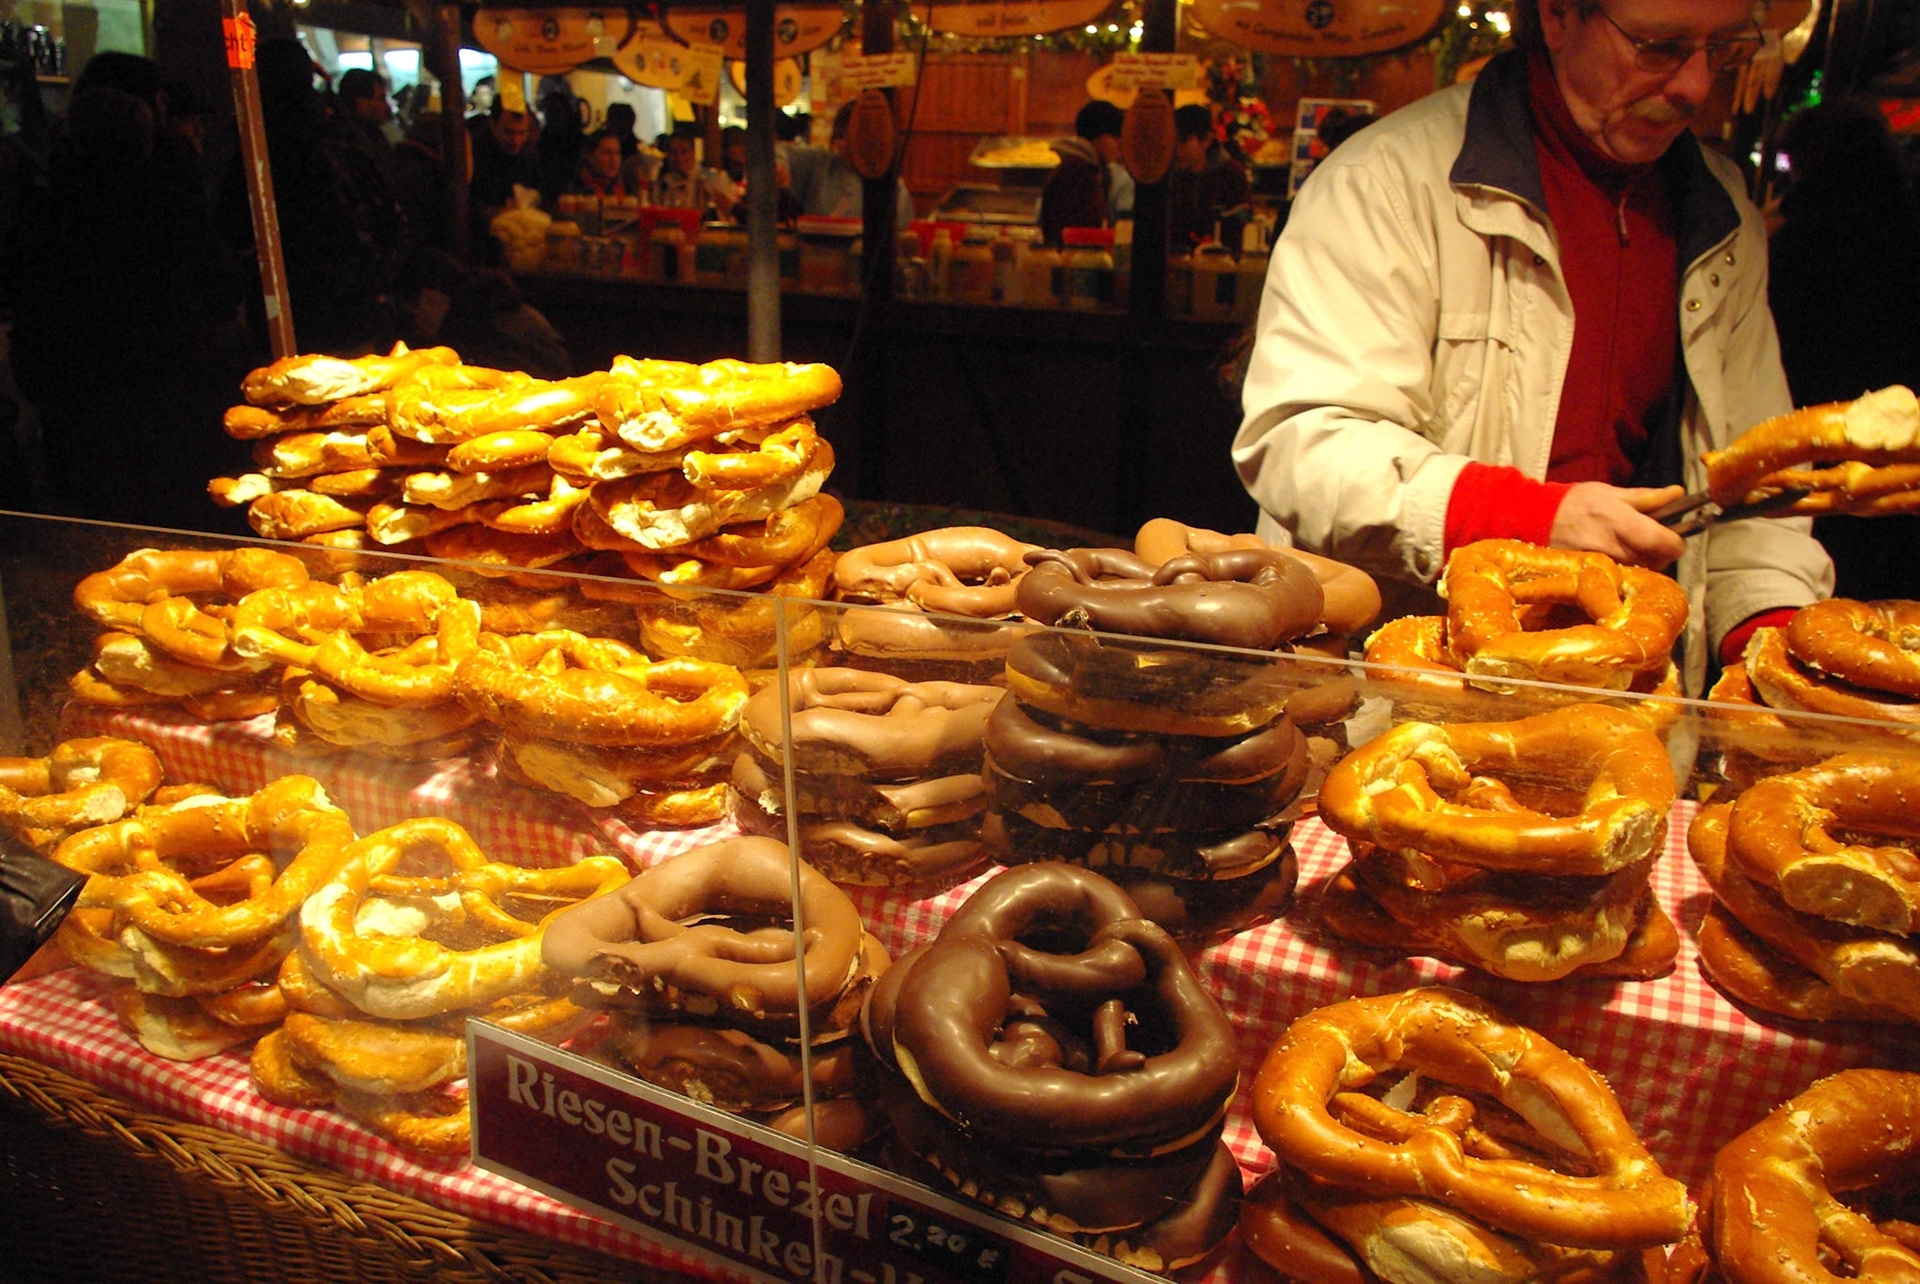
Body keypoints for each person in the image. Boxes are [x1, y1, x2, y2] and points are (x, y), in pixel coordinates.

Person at [1232, 0, 1833, 696]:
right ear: (1557, 15)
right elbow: (1302, 443)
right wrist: (1534, 519)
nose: (1696, 85)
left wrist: (1776, 642)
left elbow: (1756, 491)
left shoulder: (1721, 214)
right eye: (1660, 46)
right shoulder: (1387, 180)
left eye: (1723, 48)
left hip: (1628, 688)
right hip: (1396, 697)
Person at [5, 53, 249, 530]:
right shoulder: (168, 193)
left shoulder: (50, 197)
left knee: (107, 528)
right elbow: (220, 288)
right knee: (183, 525)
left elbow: (23, 295)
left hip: (81, 408)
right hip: (173, 397)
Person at [1767, 98, 1920, 601]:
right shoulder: (1906, 227)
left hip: (1818, 422)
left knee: (1824, 557)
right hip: (1900, 424)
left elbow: (1784, 337)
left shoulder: (1801, 237)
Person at [786, 100, 914, 230]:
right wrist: (781, 168)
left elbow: (902, 231)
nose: (842, 143)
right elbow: (781, 152)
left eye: (852, 136)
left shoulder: (893, 186)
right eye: (840, 135)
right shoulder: (821, 163)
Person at [1038, 100, 1124, 244]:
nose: (1120, 144)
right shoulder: (1076, 171)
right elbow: (1071, 230)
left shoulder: (1091, 169)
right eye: (1114, 137)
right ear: (1096, 135)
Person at [1168, 103, 1250, 248]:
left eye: (1183, 141)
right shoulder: (1169, 176)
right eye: (1172, 142)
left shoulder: (1230, 174)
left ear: (1206, 140)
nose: (1177, 150)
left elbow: (1241, 225)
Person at [335, 67, 395, 182]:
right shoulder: (354, 141)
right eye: (381, 99)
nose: (387, 107)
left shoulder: (366, 132)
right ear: (361, 102)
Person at [569, 127, 632, 198]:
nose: (614, 159)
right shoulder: (574, 192)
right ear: (590, 156)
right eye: (607, 153)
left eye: (617, 153)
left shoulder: (626, 190)